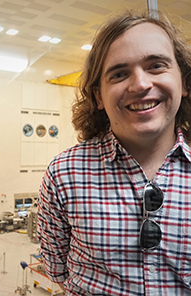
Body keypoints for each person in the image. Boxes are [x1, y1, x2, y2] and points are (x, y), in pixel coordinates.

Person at [37, 9, 191, 296]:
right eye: (119, 74)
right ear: (98, 96)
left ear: (183, 81)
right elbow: (56, 269)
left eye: (156, 66)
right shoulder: (64, 175)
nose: (141, 84)